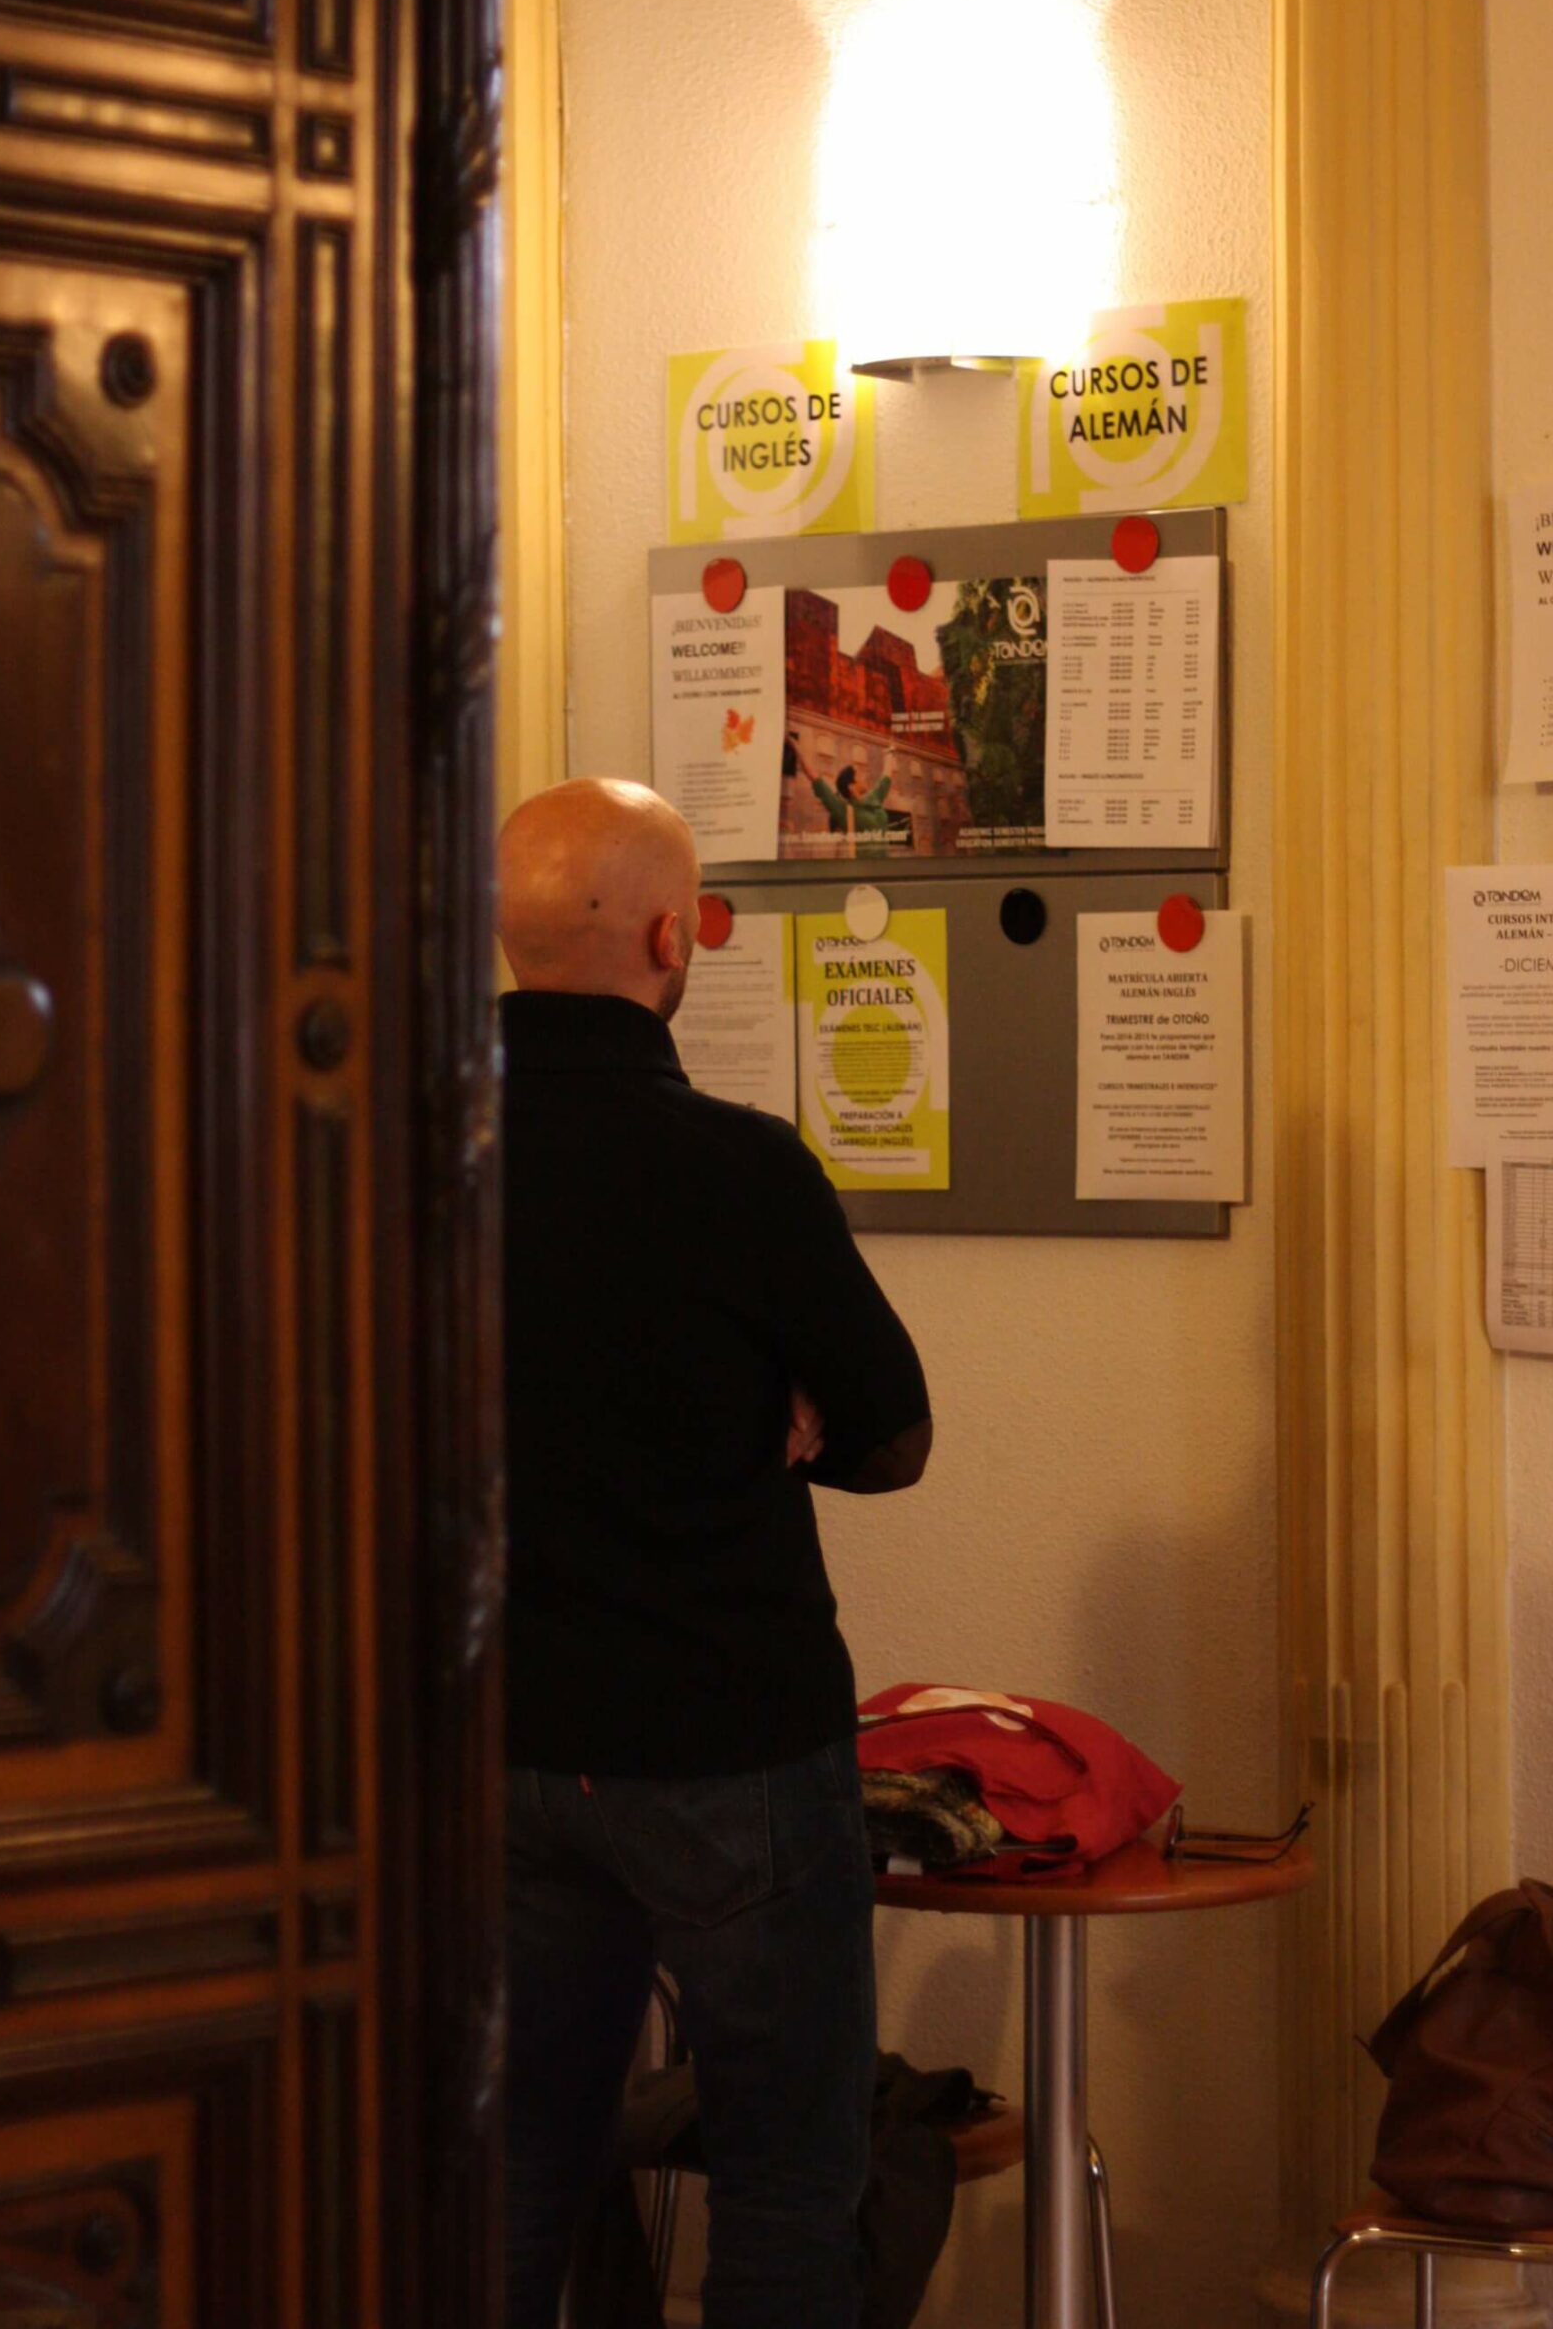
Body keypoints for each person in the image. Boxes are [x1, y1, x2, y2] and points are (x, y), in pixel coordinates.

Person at [496, 777, 932, 2329]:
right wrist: (791, 1412)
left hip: (503, 1742)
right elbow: (897, 1435)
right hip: (727, 1743)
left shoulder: (410, 1164)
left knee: (510, 2174)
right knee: (788, 2184)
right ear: (673, 940)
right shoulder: (740, 1170)